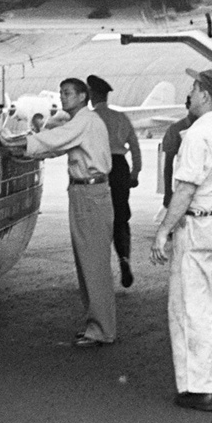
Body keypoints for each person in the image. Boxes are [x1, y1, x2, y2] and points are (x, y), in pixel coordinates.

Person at [151, 69, 212, 413]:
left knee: (192, 308)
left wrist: (164, 230)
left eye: (193, 88)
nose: (189, 95)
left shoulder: (195, 135)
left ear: (205, 95)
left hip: (201, 227)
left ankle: (198, 388)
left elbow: (185, 189)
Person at [0, 78, 117, 347]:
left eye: (68, 93)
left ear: (82, 96)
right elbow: (57, 148)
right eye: (62, 93)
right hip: (84, 193)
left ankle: (102, 329)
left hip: (90, 194)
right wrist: (25, 151)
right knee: (88, 261)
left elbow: (53, 140)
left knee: (93, 263)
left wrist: (14, 144)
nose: (63, 98)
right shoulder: (80, 122)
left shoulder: (83, 121)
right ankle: (97, 325)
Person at [88, 75, 142, 289]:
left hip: (98, 167)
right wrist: (135, 173)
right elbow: (135, 147)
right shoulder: (121, 117)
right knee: (120, 216)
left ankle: (99, 271)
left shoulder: (90, 118)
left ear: (92, 95)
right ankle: (124, 259)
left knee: (98, 219)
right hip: (120, 167)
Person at [161, 107, 197, 209]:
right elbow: (168, 163)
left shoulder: (211, 128)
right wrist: (167, 191)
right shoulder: (176, 129)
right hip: (184, 184)